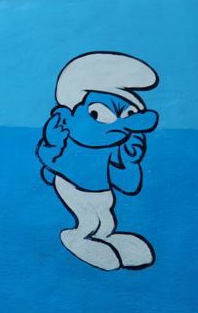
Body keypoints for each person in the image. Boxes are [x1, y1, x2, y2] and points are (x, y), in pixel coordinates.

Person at [36, 52, 159, 271]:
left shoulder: (117, 146)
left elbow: (125, 175)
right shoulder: (67, 132)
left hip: (100, 188)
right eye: (97, 113)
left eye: (128, 114)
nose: (119, 124)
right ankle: (77, 236)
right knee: (89, 219)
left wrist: (129, 157)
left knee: (105, 219)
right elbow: (53, 155)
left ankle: (106, 238)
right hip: (72, 184)